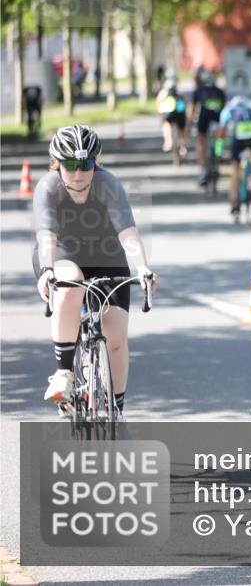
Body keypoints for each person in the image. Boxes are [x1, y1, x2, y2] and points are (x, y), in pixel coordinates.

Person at [32, 125, 157, 415]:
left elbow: (128, 234)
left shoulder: (108, 185)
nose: (79, 172)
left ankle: (117, 410)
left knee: (115, 336)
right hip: (61, 252)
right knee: (71, 282)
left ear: (95, 163)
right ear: (57, 164)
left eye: (86, 164)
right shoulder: (48, 187)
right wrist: (48, 271)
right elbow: (46, 237)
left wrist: (143, 268)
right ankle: (64, 372)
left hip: (106, 252)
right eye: (71, 165)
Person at [218, 96, 251, 220]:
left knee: (235, 169)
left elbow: (222, 130)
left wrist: (220, 146)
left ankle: (234, 203)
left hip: (238, 139)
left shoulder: (229, 110)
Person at [190, 71, 226, 185]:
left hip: (204, 119)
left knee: (201, 142)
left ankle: (202, 171)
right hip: (217, 118)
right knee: (219, 139)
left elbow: (193, 109)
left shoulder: (199, 90)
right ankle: (219, 154)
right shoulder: (220, 91)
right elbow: (225, 109)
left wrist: (190, 123)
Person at [155, 77, 188, 157]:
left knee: (166, 124)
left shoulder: (164, 92)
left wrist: (158, 111)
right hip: (180, 113)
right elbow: (185, 102)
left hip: (168, 113)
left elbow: (158, 102)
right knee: (182, 129)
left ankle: (168, 142)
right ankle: (183, 147)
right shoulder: (180, 91)